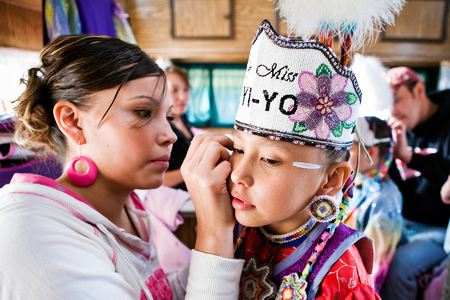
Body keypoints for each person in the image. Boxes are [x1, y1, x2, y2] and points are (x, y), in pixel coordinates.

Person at [181, 11, 408, 296]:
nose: (238, 173)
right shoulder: (238, 229)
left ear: (331, 179)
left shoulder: (343, 272)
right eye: (238, 148)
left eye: (270, 159)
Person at [0, 35, 244, 300]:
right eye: (143, 112)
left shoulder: (130, 208)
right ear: (73, 122)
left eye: (168, 116)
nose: (169, 135)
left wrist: (226, 243)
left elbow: (151, 293)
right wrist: (212, 230)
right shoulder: (34, 234)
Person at [381, 66, 450, 300]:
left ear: (418, 89)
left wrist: (409, 156)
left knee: (400, 266)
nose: (393, 110)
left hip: (438, 228)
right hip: (401, 223)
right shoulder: (396, 125)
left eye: (397, 99)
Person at [345, 116, 403, 292]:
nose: (343, 153)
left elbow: (375, 269)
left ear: (372, 153)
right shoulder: (353, 183)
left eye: (350, 147)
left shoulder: (385, 200)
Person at [163, 66, 193, 191]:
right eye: (174, 90)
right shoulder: (163, 126)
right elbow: (161, 179)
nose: (182, 97)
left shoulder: (182, 118)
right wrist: (192, 170)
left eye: (185, 90)